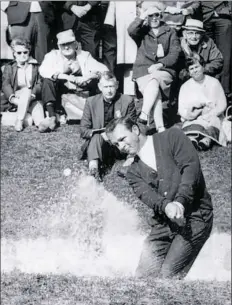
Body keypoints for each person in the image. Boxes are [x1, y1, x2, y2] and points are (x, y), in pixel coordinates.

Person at [105, 116, 213, 279]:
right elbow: (148, 197)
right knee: (142, 278)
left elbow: (191, 170)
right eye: (116, 144)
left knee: (167, 276)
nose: (121, 147)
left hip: (195, 218)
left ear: (135, 130)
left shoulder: (172, 137)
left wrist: (180, 202)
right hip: (163, 224)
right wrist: (167, 206)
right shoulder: (133, 171)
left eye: (122, 139)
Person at [39, 29, 108, 131]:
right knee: (47, 82)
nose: (66, 47)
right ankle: (51, 116)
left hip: (81, 89)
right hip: (61, 89)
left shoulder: (84, 55)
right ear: (59, 46)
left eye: (69, 44)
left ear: (75, 44)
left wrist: (87, 77)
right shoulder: (52, 55)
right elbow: (43, 70)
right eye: (63, 45)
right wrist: (66, 76)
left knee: (97, 80)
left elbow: (103, 70)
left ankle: (97, 113)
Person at [128, 4, 181, 132]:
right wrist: (142, 16)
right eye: (150, 15)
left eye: (156, 14)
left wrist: (160, 64)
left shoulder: (170, 31)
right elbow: (131, 30)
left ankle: (144, 114)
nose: (154, 18)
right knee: (154, 88)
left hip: (164, 70)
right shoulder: (142, 31)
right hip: (143, 70)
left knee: (155, 79)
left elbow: (175, 53)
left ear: (161, 15)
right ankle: (160, 127)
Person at [80, 71, 137, 181]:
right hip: (100, 143)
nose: (109, 90)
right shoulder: (91, 102)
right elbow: (83, 130)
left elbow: (132, 126)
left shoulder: (127, 100)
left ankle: (130, 160)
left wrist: (112, 135)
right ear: (100, 87)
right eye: (106, 87)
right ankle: (94, 170)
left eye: (111, 86)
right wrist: (101, 133)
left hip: (120, 143)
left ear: (117, 85)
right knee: (96, 137)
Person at [178, 56, 227, 150]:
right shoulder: (185, 87)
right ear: (189, 72)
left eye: (197, 67)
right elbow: (181, 109)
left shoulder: (214, 82)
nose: (195, 70)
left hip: (212, 115)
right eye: (191, 69)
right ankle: (191, 139)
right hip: (194, 116)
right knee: (192, 125)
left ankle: (206, 140)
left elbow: (222, 104)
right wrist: (190, 115)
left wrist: (211, 114)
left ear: (203, 67)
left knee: (214, 123)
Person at [1, 38, 46, 132]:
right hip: (16, 97)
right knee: (26, 92)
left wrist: (32, 95)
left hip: (32, 97)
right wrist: (12, 99)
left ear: (29, 52)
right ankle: (20, 119)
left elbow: (39, 83)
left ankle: (40, 124)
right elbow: (6, 84)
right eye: (19, 53)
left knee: (35, 103)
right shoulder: (9, 67)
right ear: (14, 53)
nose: (22, 55)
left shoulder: (35, 66)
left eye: (25, 52)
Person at [200, 1, 232, 101]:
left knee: (225, 56)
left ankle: (223, 92)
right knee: (206, 54)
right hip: (205, 18)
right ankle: (206, 90)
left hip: (223, 17)